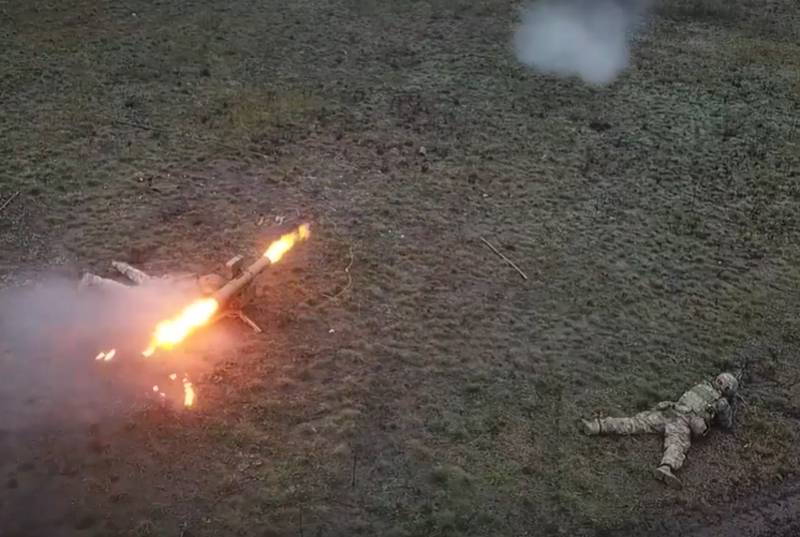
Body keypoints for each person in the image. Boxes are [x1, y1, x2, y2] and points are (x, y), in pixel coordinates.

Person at [580, 372, 739, 489]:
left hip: (670, 411)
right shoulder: (721, 402)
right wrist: (726, 408)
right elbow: (726, 424)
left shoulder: (701, 385)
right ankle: (666, 467)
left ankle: (599, 426)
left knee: (636, 422)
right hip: (682, 421)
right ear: (727, 389)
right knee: (676, 444)